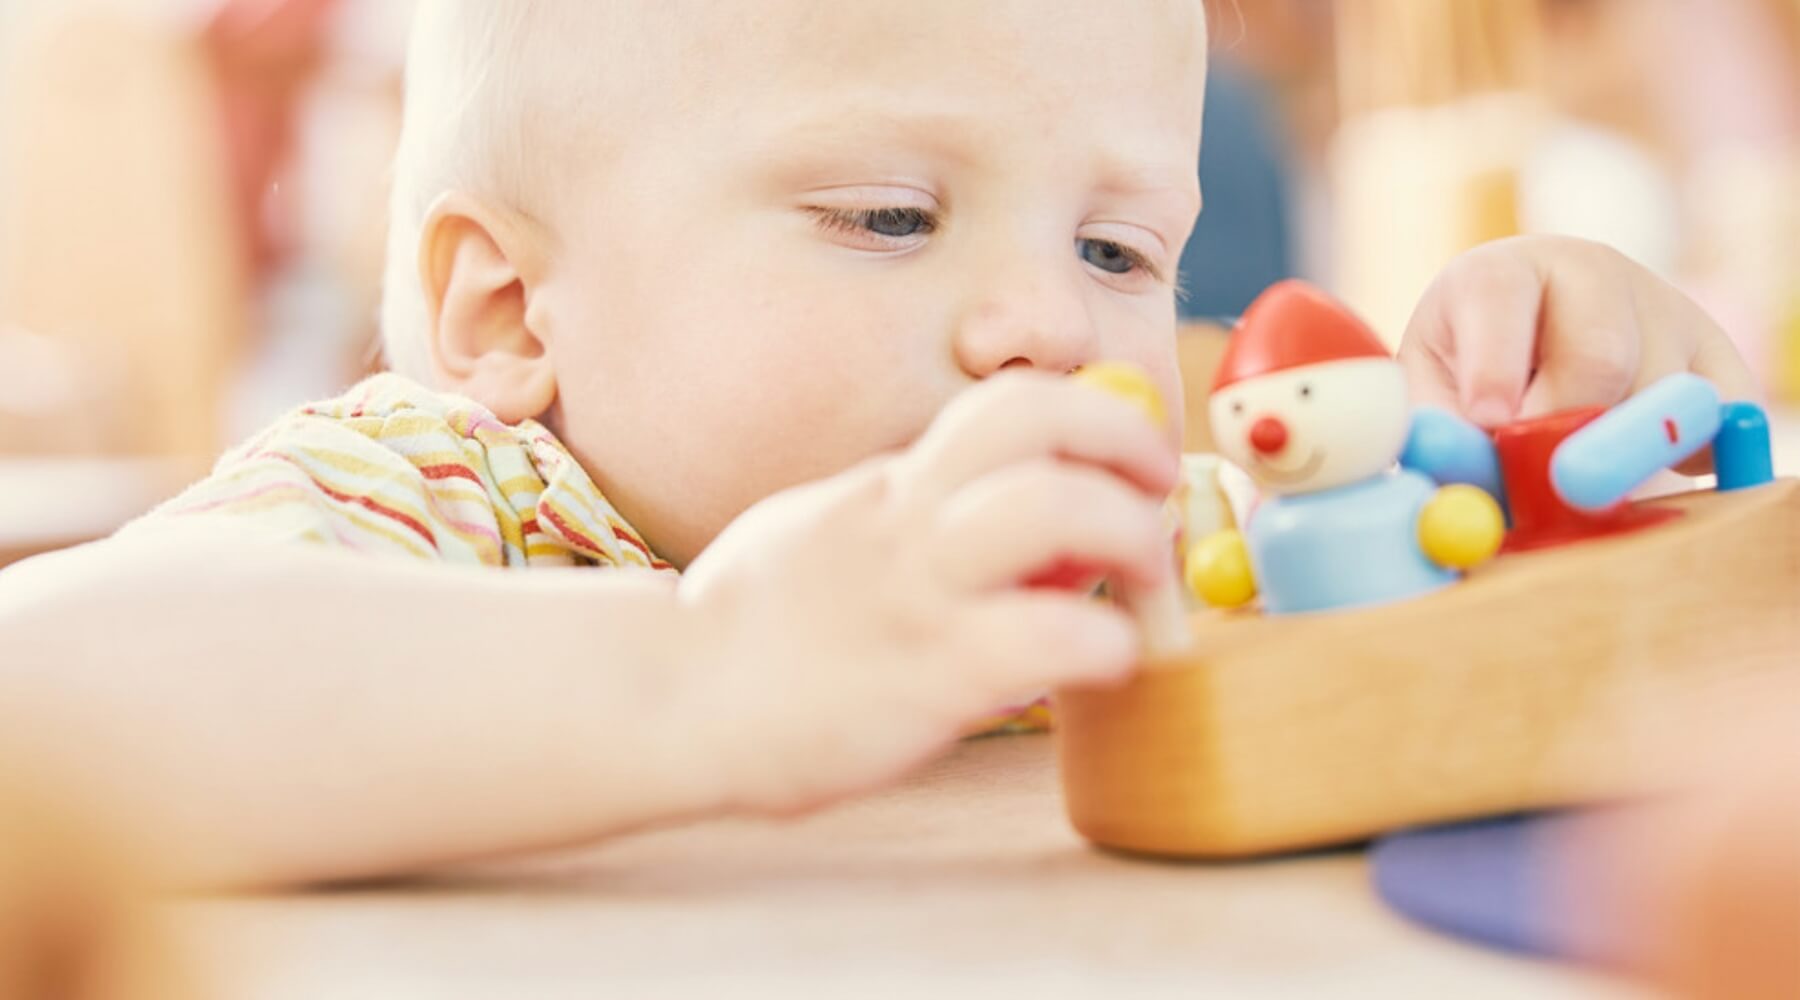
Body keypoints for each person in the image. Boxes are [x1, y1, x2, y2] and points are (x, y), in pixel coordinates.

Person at [0, 0, 1757, 889]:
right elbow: (41, 722)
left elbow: (1451, 621)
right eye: (892, 216)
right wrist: (703, 670)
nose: (1049, 329)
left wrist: (1546, 440)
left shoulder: (1129, 509)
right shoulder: (448, 491)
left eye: (1117, 249)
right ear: (512, 316)